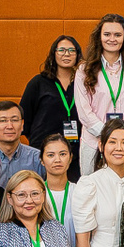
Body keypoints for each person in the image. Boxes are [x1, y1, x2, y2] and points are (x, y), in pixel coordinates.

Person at [76, 15, 124, 176]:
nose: (112, 39)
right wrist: (107, 135)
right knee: (93, 187)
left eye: (117, 35)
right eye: (107, 34)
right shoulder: (85, 70)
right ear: (99, 37)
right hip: (94, 142)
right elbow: (84, 110)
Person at [20, 36, 83, 179]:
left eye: (71, 50)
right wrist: (39, 140)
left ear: (78, 55)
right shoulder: (38, 83)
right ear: (53, 53)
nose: (66, 54)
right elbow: (24, 118)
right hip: (43, 152)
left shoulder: (84, 83)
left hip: (76, 154)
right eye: (61, 50)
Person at [0, 100, 43, 186]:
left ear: (22, 124)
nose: (9, 126)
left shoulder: (38, 158)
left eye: (15, 120)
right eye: (3, 121)